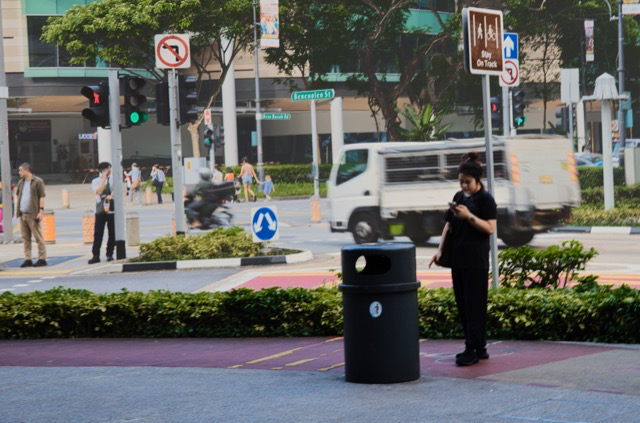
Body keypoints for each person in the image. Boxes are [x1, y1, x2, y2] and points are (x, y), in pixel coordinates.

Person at [428, 152, 497, 367]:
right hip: (458, 259)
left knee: (475, 305)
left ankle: (472, 348)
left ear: (478, 180)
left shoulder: (486, 200)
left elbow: (490, 228)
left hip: (475, 261)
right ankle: (479, 346)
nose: (464, 186)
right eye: (461, 182)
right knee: (463, 305)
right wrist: (440, 251)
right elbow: (448, 225)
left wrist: (469, 216)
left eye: (468, 182)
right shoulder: (458, 197)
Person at [15, 163, 47, 267]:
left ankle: (42, 258)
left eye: (21, 170)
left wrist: (41, 211)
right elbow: (18, 195)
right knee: (26, 238)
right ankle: (28, 258)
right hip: (22, 213)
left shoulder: (38, 181)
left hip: (32, 214)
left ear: (27, 170)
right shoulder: (21, 182)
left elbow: (41, 196)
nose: (19, 172)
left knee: (38, 237)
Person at [89, 162, 115, 264]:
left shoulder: (113, 179)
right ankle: (96, 255)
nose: (110, 170)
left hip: (111, 210)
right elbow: (99, 192)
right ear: (103, 170)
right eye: (108, 168)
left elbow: (115, 191)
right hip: (100, 211)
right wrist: (104, 179)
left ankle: (110, 254)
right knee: (98, 233)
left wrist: (111, 195)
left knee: (112, 233)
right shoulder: (96, 181)